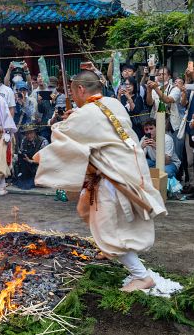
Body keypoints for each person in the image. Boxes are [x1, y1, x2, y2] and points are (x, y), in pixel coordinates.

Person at [34, 70, 166, 292]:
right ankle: (109, 249)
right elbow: (90, 129)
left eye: (72, 92)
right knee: (85, 209)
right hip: (125, 168)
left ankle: (141, 276)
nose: (72, 96)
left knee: (109, 228)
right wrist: (74, 116)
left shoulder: (86, 114)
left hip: (111, 178)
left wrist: (62, 123)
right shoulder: (112, 103)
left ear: (81, 89)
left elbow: (63, 135)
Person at [15, 123, 48, 190]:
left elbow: (45, 159)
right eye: (27, 133)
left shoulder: (43, 141)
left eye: (31, 133)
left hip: (40, 165)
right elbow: (21, 152)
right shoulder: (24, 140)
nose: (29, 135)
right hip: (28, 164)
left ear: (35, 132)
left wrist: (31, 161)